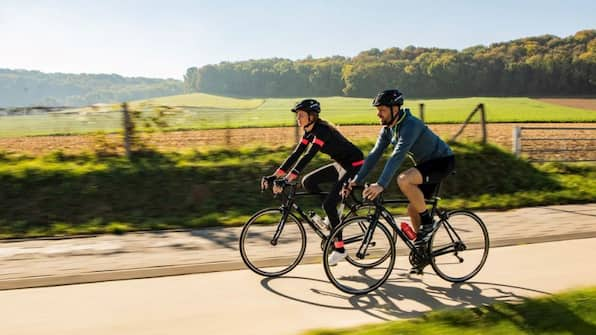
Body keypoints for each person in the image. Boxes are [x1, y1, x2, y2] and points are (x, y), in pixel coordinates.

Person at [343, 89, 455, 273]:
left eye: (382, 110)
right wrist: (356, 180)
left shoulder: (410, 125)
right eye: (377, 110)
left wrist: (381, 184)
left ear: (396, 109)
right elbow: (374, 155)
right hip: (426, 165)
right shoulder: (388, 129)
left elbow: (397, 156)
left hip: (442, 162)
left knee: (404, 179)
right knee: (413, 209)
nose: (378, 114)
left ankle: (429, 223)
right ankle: (423, 254)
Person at [261, 99, 364, 266]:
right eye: (297, 115)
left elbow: (308, 157)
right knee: (308, 181)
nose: (298, 118)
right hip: (341, 164)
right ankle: (333, 217)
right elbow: (295, 155)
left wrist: (287, 180)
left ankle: (340, 249)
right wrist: (274, 176)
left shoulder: (322, 131)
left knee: (329, 205)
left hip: (354, 165)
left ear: (312, 116)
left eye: (301, 115)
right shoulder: (308, 133)